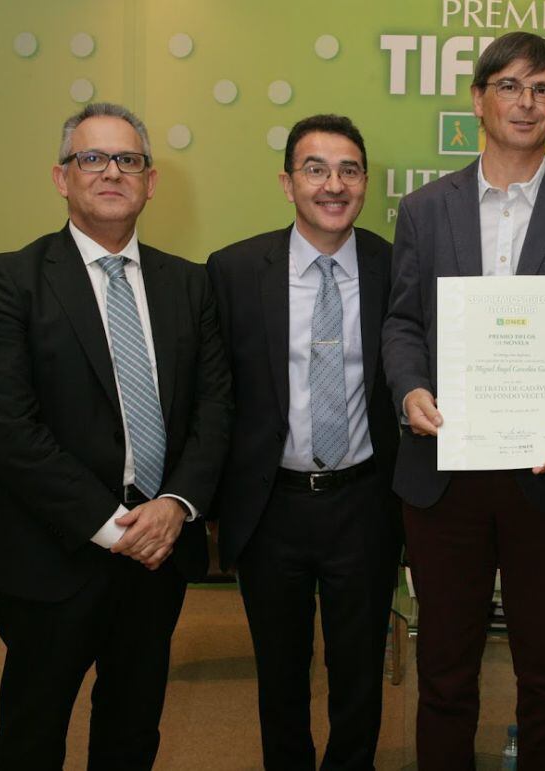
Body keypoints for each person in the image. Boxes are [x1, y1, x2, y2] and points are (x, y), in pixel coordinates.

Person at [0, 102, 232, 770]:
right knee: (33, 729)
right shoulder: (10, 279)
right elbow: (8, 426)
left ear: (150, 181)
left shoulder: (189, 284)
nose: (111, 172)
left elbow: (216, 408)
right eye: (92, 158)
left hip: (159, 551)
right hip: (52, 550)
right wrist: (113, 526)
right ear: (62, 177)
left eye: (128, 159)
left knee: (133, 729)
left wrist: (177, 505)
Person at [382, 32, 545, 769]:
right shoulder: (426, 208)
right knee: (446, 672)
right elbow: (402, 321)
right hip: (443, 474)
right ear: (479, 98)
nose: (528, 102)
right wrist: (410, 388)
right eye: (512, 86)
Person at [206, 114, 401, 771]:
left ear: (366, 183)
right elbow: (216, 396)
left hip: (365, 502)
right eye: (315, 169)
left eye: (349, 170)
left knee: (358, 673)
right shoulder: (233, 271)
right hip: (271, 507)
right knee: (279, 673)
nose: (333, 184)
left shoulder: (394, 267)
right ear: (288, 183)